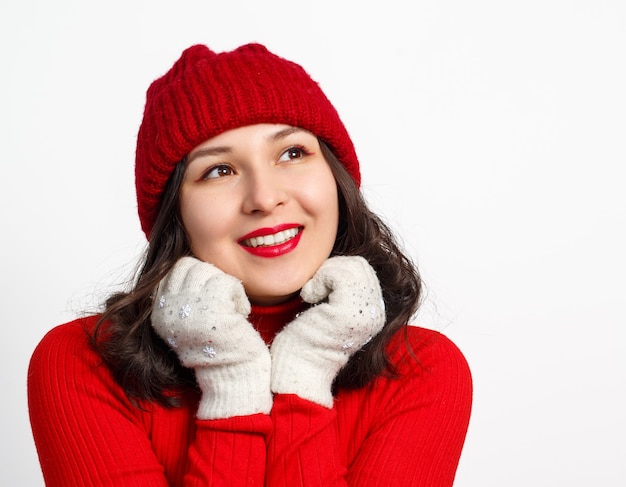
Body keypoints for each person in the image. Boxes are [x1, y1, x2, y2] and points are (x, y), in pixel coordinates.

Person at [28, 43, 473, 486]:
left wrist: (304, 373)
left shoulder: (422, 369)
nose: (264, 197)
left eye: (292, 154)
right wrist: (231, 384)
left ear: (336, 179)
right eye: (219, 170)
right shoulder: (84, 364)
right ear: (174, 214)